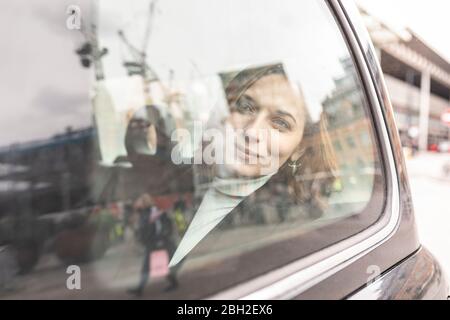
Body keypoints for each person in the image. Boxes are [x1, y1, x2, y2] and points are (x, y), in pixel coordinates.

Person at [168, 63, 338, 267]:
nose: (251, 132)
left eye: (280, 123)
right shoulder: (183, 181)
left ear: (300, 148)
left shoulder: (296, 228)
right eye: (245, 107)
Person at [128, 194, 179, 297]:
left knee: (151, 266)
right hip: (151, 243)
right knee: (158, 266)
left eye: (139, 202)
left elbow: (159, 226)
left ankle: (140, 289)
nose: (137, 203)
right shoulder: (144, 213)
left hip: (156, 243)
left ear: (144, 203)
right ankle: (173, 283)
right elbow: (144, 227)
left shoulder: (153, 211)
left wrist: (160, 238)